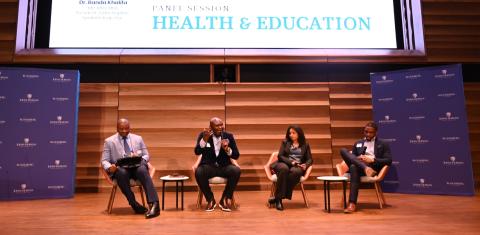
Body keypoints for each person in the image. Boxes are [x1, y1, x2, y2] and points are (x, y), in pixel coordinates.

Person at [101, 118, 160, 219]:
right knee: (121, 173)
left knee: (142, 170)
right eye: (121, 129)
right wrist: (110, 167)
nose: (124, 131)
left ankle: (155, 204)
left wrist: (140, 158)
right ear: (117, 128)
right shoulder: (109, 141)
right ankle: (134, 204)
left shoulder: (138, 138)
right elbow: (104, 160)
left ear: (130, 128)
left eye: (126, 128)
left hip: (136, 166)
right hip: (121, 169)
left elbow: (147, 155)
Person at [340, 121, 392, 213]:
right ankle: (365, 168)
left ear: (376, 132)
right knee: (343, 150)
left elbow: (388, 160)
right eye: (366, 132)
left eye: (370, 132)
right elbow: (352, 158)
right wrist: (358, 158)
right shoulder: (358, 143)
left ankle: (352, 203)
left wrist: (372, 160)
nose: (368, 134)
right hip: (360, 165)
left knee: (353, 167)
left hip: (372, 167)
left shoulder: (383, 144)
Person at [194, 117, 241, 212]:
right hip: (209, 167)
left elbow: (236, 155)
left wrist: (227, 149)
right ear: (210, 127)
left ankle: (225, 199)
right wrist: (204, 140)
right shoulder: (203, 135)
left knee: (236, 171)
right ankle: (210, 199)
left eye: (221, 125)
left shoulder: (229, 136)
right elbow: (197, 152)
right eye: (217, 125)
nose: (220, 127)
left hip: (224, 167)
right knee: (199, 171)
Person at [268, 125, 313, 211]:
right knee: (284, 169)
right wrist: (291, 162)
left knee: (296, 172)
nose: (291, 135)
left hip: (297, 166)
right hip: (283, 163)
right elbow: (280, 156)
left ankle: (277, 197)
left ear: (299, 134)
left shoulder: (305, 144)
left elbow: (310, 159)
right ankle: (279, 200)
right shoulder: (285, 142)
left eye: (293, 133)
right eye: (290, 133)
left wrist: (305, 165)